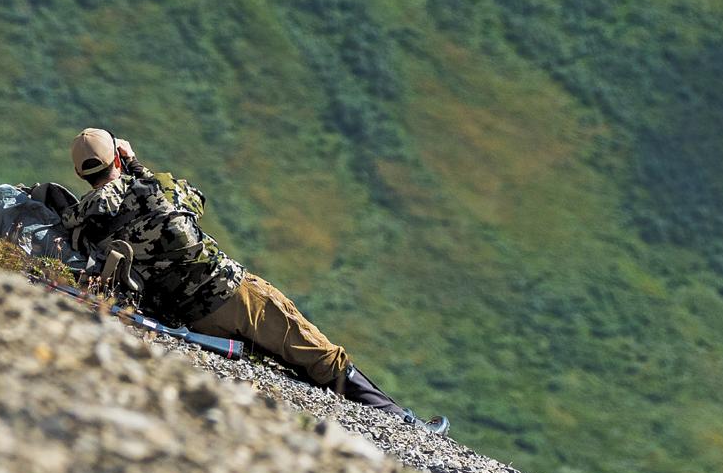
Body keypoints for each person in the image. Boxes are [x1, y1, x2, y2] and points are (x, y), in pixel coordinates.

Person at [40, 127, 432, 425]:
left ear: (79, 173)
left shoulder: (82, 219)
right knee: (319, 353)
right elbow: (195, 200)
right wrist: (137, 165)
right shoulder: (153, 188)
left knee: (281, 360)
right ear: (119, 158)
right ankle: (401, 420)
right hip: (232, 293)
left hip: (187, 318)